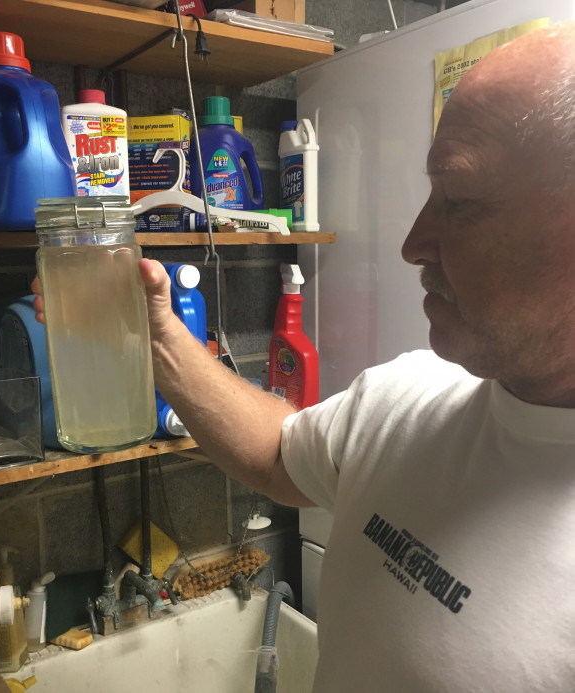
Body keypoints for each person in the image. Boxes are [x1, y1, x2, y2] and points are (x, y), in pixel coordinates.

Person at [33, 24, 575, 692]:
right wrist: (155, 336)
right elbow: (275, 452)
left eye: (457, 201)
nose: (413, 242)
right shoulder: (406, 397)